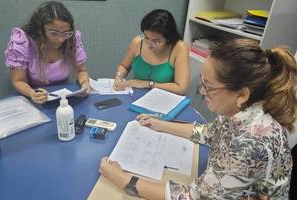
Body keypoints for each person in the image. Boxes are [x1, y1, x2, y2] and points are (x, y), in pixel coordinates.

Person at [100, 38, 297, 199]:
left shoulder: (248, 143)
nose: (202, 92)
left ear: (242, 94)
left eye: (209, 86)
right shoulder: (242, 110)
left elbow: (193, 197)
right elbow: (208, 133)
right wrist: (160, 124)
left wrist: (125, 179)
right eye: (202, 83)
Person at [5, 1, 90, 104]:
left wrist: (85, 84)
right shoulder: (23, 41)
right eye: (54, 33)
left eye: (66, 33)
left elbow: (81, 71)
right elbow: (18, 80)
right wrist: (32, 93)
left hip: (63, 98)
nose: (61, 39)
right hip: (31, 97)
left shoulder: (71, 39)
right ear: (39, 29)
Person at [113, 9, 189, 95]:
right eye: (146, 37)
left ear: (168, 38)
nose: (149, 44)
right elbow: (124, 66)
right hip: (135, 96)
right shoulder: (137, 42)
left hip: (164, 99)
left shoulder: (179, 48)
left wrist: (148, 84)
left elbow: (181, 88)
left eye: (156, 41)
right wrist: (119, 77)